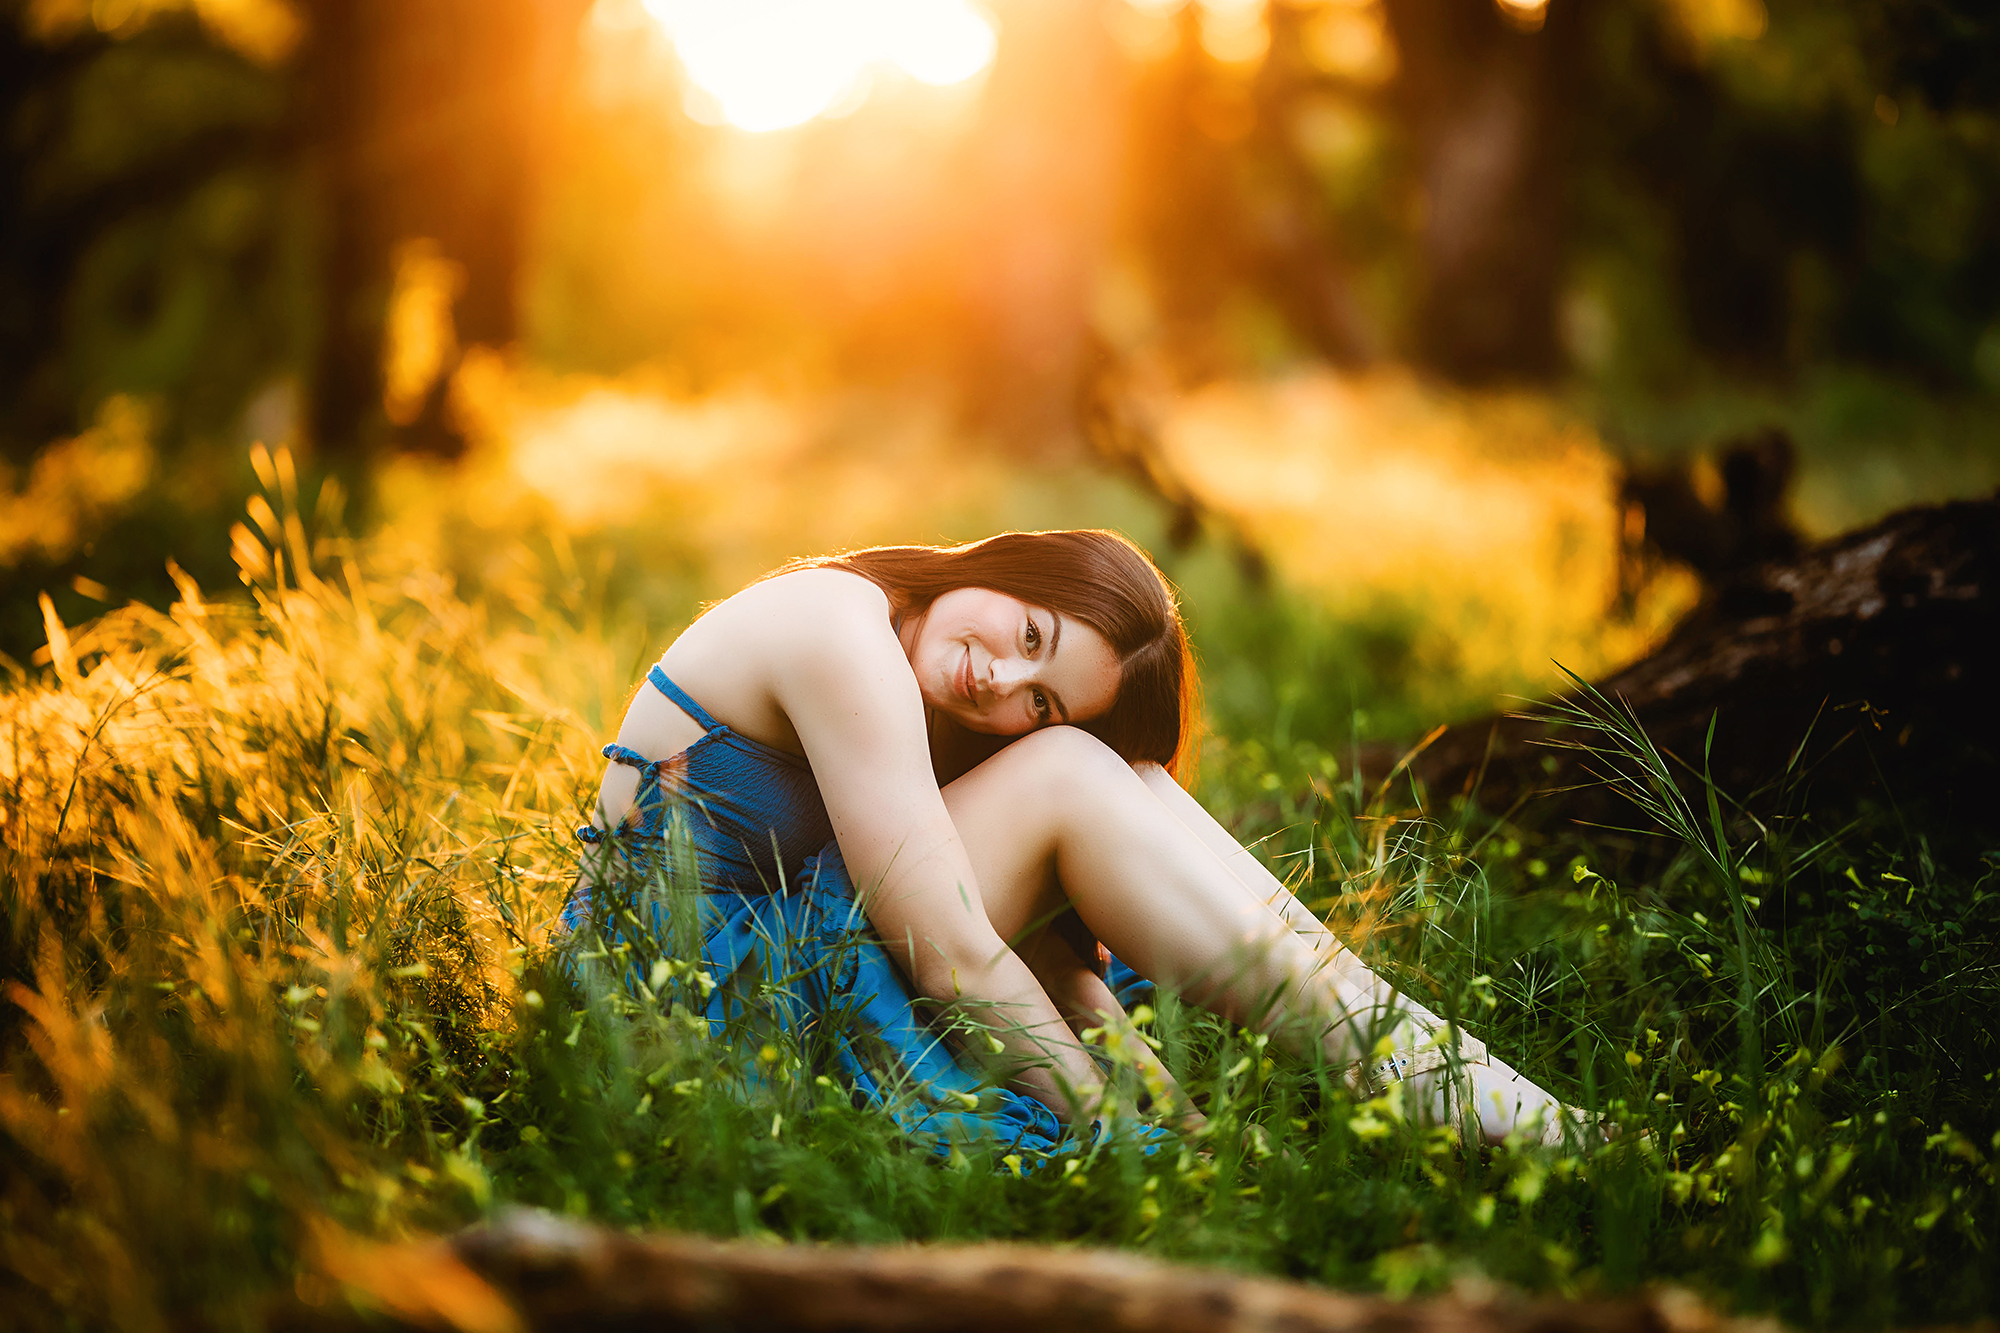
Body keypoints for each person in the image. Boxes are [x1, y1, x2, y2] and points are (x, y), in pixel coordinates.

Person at [569, 529, 1577, 1154]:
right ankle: (1423, 1082)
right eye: (1032, 636)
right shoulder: (841, 629)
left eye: (1038, 696)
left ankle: (1436, 1060)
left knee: (1122, 774)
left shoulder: (915, 664)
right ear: (1014, 561)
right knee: (1068, 770)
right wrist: (1138, 1134)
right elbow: (956, 952)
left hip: (773, 956)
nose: (998, 681)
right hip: (686, 1002)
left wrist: (1124, 1055)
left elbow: (1018, 941)